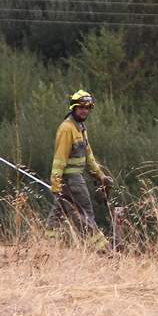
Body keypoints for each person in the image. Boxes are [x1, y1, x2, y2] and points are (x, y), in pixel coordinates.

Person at [48, 90, 112, 243]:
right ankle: (103, 251)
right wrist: (56, 183)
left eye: (88, 107)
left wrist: (100, 176)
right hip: (72, 181)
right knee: (86, 214)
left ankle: (47, 246)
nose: (85, 110)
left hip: (73, 180)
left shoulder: (80, 127)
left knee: (58, 214)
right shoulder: (67, 128)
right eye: (81, 107)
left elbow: (88, 157)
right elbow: (59, 159)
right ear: (73, 108)